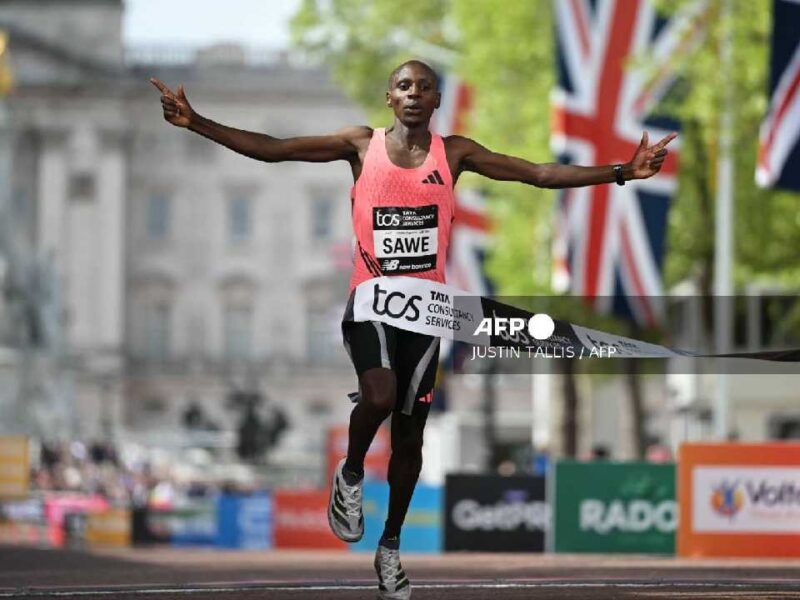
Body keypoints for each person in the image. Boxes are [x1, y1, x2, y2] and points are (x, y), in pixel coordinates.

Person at [151, 59, 674, 600]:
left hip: (426, 315)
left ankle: (390, 547)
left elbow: (538, 174)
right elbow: (275, 148)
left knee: (409, 437)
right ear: (389, 98)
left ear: (437, 100)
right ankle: (350, 477)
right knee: (378, 394)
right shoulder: (360, 146)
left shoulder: (457, 153)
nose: (414, 94)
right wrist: (198, 122)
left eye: (425, 87)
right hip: (372, 303)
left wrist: (621, 171)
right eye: (405, 86)